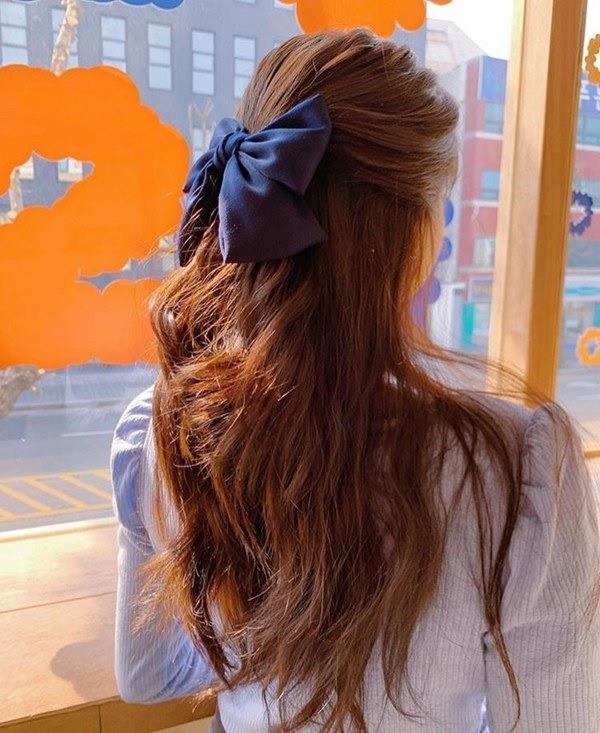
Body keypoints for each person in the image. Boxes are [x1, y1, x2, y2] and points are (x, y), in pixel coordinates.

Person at [111, 29, 600, 732]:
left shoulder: (166, 430)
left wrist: (264, 665)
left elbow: (149, 675)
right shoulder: (515, 472)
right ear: (414, 237)